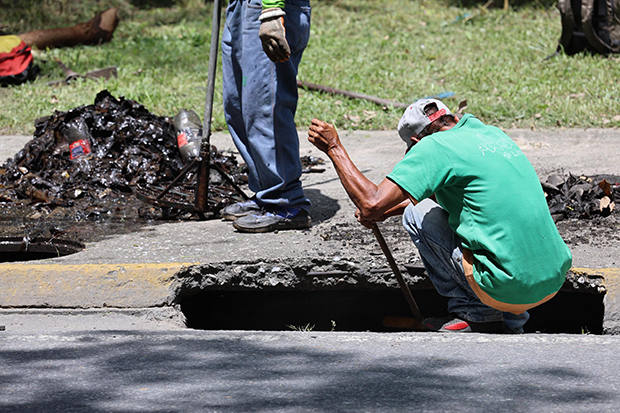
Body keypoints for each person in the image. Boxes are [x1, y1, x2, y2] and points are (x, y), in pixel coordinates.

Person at [307, 99, 572, 333]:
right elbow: (457, 194)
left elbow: (370, 203)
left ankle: (477, 312)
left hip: (504, 285)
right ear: (452, 118)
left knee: (416, 214)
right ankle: (511, 320)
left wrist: (334, 147)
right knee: (492, 225)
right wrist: (387, 211)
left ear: (415, 143)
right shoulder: (490, 134)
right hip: (551, 278)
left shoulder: (434, 147)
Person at [220, 0, 312, 233]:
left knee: (266, 107)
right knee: (238, 105)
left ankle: (286, 201)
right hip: (241, 6)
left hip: (268, 6)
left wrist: (271, 10)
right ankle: (266, 192)